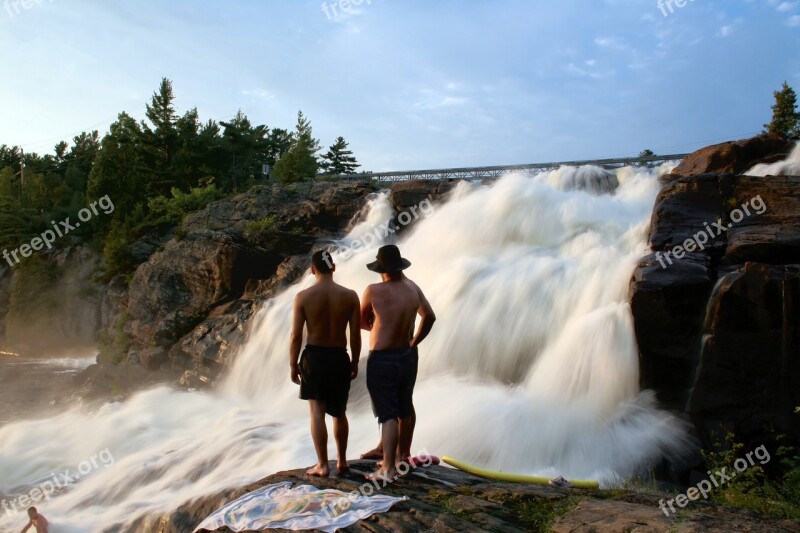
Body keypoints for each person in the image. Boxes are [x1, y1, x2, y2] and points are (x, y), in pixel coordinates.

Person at [361, 245, 436, 481]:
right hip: (407, 354)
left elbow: (361, 321)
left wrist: (375, 326)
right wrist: (415, 341)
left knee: (388, 413)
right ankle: (403, 455)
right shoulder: (413, 288)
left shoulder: (373, 290)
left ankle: (388, 469)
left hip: (382, 357)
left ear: (381, 269)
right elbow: (429, 316)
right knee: (405, 405)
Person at [291, 250, 361, 477]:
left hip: (315, 358)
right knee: (339, 412)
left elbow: (296, 336)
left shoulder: (303, 296)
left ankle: (322, 464)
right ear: (334, 267)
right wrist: (355, 361)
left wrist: (293, 364)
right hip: (339, 356)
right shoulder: (350, 296)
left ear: (312, 270)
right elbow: (355, 335)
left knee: (317, 412)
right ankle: (341, 462)